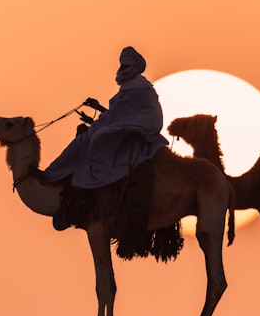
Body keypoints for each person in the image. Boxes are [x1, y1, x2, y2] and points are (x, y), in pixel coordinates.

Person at [45, 46, 168, 230]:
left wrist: (107, 121)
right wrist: (97, 112)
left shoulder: (141, 88)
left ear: (134, 66)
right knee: (85, 138)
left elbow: (143, 115)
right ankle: (54, 174)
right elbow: (118, 114)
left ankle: (96, 179)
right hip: (125, 124)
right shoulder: (129, 87)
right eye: (122, 64)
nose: (123, 68)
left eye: (126, 65)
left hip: (140, 126)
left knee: (98, 138)